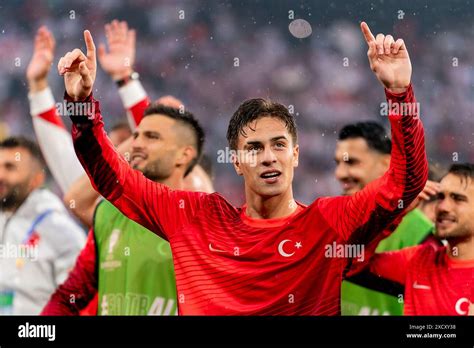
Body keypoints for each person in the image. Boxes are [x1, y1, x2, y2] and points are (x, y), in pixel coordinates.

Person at [58, 22, 428, 315]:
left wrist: (400, 95)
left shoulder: (328, 224)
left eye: (279, 145)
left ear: (295, 155)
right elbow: (110, 176)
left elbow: (405, 183)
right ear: (235, 161)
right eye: (253, 148)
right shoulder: (195, 219)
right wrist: (81, 104)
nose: (268, 157)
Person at [39, 21, 212, 315]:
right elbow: (71, 294)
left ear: (186, 155)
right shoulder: (109, 212)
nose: (137, 143)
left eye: (151, 136)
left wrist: (126, 79)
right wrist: (80, 104)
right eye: (136, 134)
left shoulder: (199, 218)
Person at [335, 121, 439, 315]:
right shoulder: (331, 220)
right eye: (337, 163)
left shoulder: (421, 232)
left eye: (351, 162)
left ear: (386, 164)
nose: (339, 174)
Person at [368, 163, 474, 315]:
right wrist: (394, 213)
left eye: (457, 199)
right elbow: (351, 263)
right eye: (440, 197)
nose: (442, 207)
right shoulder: (418, 261)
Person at [0, 136, 85, 314]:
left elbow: (77, 301)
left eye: (10, 167)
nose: (1, 175)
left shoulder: (61, 231)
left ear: (37, 179)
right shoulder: (3, 218)